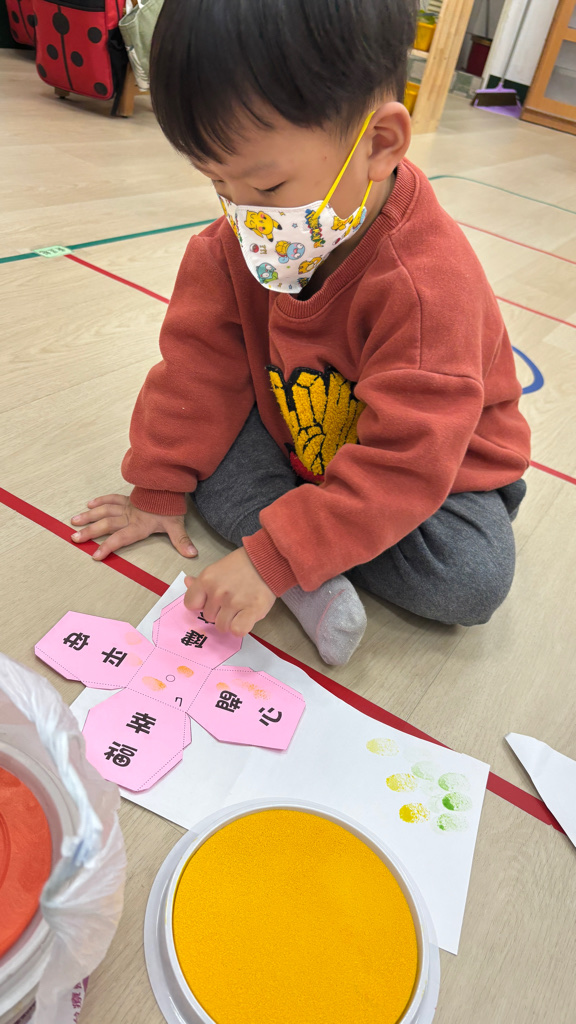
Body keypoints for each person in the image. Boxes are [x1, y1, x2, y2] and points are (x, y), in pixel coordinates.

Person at [70, 0, 530, 666]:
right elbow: (196, 367)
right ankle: (310, 561)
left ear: (379, 145)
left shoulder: (428, 286)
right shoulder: (231, 244)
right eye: (217, 182)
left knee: (471, 578)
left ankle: (296, 546)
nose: (242, 214)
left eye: (267, 185)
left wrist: (272, 558)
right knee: (210, 452)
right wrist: (160, 487)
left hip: (437, 473)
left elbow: (409, 459)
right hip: (296, 432)